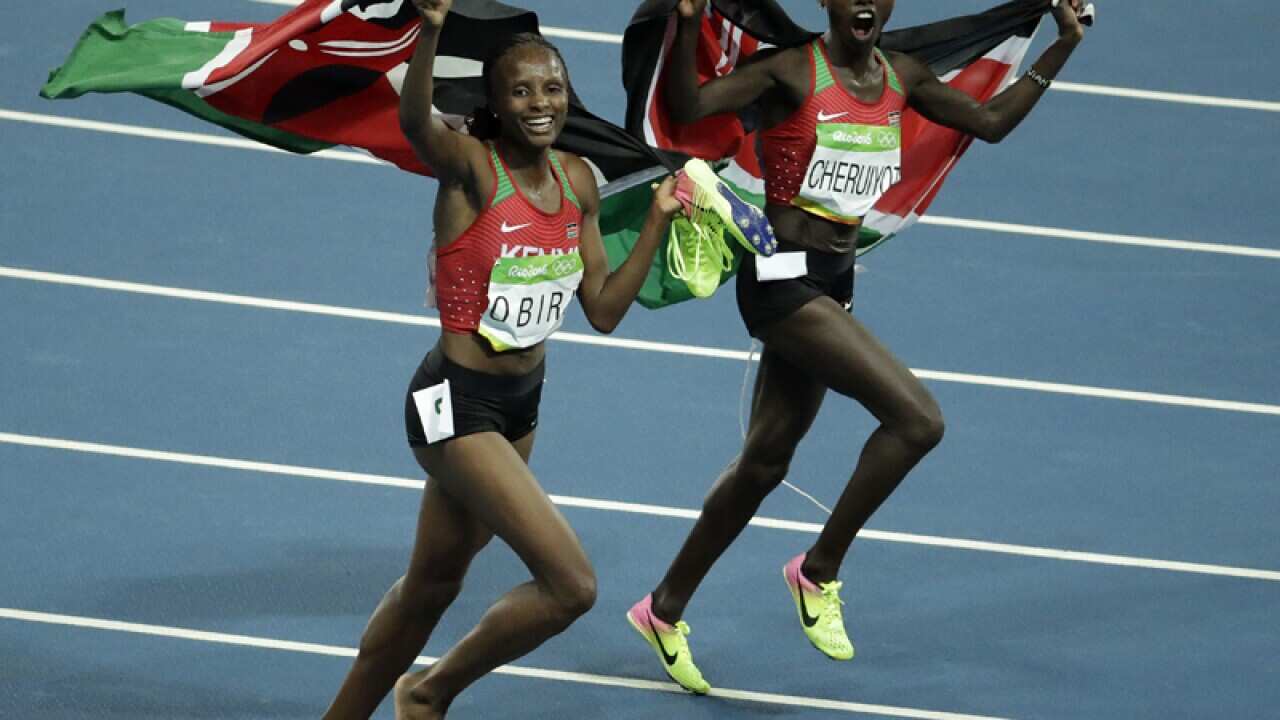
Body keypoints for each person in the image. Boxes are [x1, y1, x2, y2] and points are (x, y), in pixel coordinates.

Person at [627, 0, 1088, 694]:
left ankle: (662, 610)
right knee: (917, 421)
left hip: (835, 278)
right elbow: (690, 107)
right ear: (828, 4)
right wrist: (690, 22)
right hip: (780, 281)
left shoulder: (902, 76)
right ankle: (818, 570)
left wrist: (1063, 45)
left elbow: (989, 124)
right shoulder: (788, 71)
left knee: (765, 460)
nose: (866, 2)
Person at [321, 0, 682, 717]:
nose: (539, 103)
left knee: (433, 583)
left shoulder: (577, 180)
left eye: (551, 88)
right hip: (454, 404)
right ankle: (427, 693)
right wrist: (427, 32)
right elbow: (415, 124)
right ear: (493, 101)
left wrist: (657, 221)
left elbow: (604, 310)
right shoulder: (472, 173)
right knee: (571, 586)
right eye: (520, 91)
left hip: (522, 407)